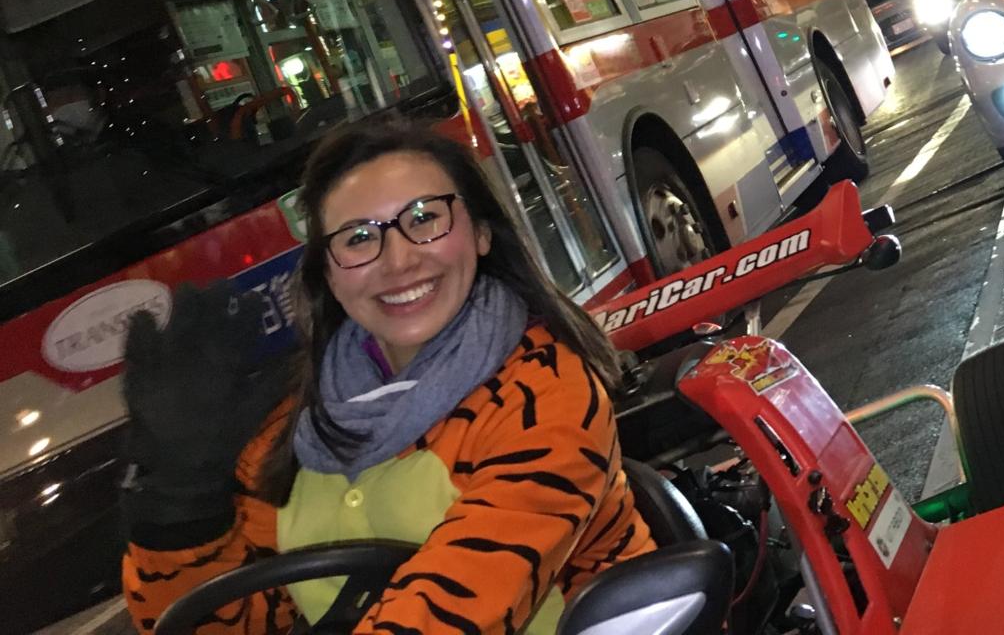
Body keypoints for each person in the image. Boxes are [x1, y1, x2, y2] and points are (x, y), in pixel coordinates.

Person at [120, 118, 654, 635]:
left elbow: (458, 607)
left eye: (424, 219)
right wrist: (179, 505)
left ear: (483, 233)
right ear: (327, 274)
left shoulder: (546, 394)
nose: (397, 261)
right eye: (357, 238)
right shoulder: (296, 423)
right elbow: (229, 622)